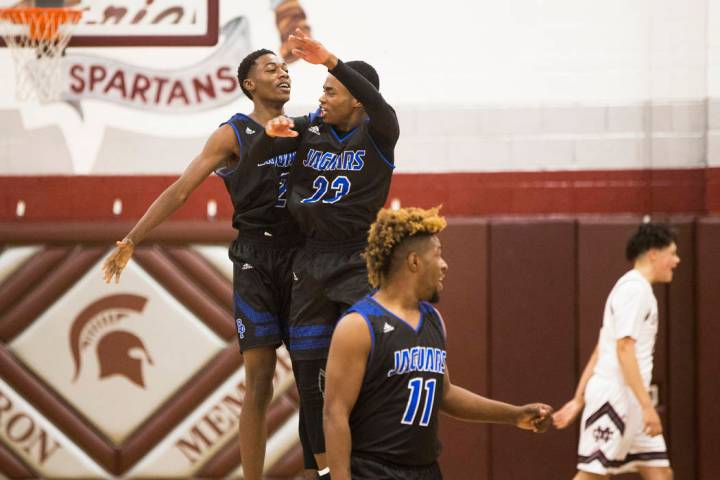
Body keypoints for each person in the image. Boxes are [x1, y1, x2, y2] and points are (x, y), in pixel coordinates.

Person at [101, 49, 307, 480]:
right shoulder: (232, 135)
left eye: (286, 69)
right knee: (260, 379)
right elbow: (180, 190)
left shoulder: (305, 128)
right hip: (255, 259)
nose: (283, 74)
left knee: (313, 378)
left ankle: (321, 470)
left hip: (301, 258)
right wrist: (132, 239)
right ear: (249, 84)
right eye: (271, 69)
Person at [247, 29, 400, 477]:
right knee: (310, 382)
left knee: (366, 376)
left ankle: (371, 462)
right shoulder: (310, 127)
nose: (323, 97)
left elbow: (381, 105)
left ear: (357, 100)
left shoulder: (379, 133)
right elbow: (261, 158)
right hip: (310, 261)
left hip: (357, 260)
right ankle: (325, 473)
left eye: (331, 91)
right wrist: (271, 135)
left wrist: (332, 61)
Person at [323, 206, 554, 480]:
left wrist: (514, 415)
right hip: (373, 470)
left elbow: (445, 394)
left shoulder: (433, 320)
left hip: (426, 470)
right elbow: (334, 413)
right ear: (414, 261)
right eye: (438, 253)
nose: (445, 264)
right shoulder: (359, 325)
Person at [553, 223, 680, 479]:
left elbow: (602, 348)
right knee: (592, 474)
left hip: (633, 397)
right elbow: (623, 349)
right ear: (654, 253)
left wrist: (578, 398)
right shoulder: (635, 290)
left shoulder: (637, 289)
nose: (676, 261)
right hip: (616, 397)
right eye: (673, 253)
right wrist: (647, 407)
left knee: (661, 472)